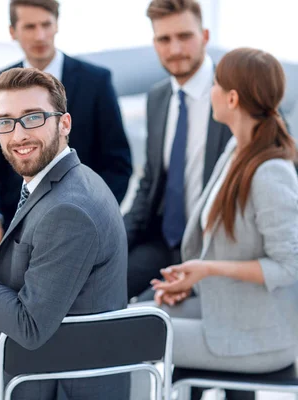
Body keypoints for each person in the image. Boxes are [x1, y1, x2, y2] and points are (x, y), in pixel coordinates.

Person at [0, 68, 129, 399]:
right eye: (5, 122)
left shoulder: (67, 211)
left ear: (64, 124)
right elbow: (24, 295)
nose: (18, 135)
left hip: (55, 385)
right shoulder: (61, 182)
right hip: (43, 364)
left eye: (32, 118)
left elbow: (28, 325)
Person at [0, 0, 132, 345]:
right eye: (29, 27)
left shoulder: (96, 81)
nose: (40, 35)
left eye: (45, 24)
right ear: (13, 32)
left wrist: (86, 217)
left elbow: (118, 163)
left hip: (69, 211)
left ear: (57, 24)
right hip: (12, 216)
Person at [149, 48, 298, 400]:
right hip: (227, 309)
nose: (210, 91)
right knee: (135, 317)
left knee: (134, 334)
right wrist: (194, 280)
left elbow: (289, 266)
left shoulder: (270, 171)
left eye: (215, 83)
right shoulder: (236, 149)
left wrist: (206, 269)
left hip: (261, 335)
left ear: (232, 98)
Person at [125, 0, 232, 303]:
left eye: (185, 36)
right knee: (101, 288)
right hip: (163, 240)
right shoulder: (158, 97)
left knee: (144, 310)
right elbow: (150, 183)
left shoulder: (234, 93)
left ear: (205, 36)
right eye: (164, 39)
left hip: (213, 248)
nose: (174, 49)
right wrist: (111, 241)